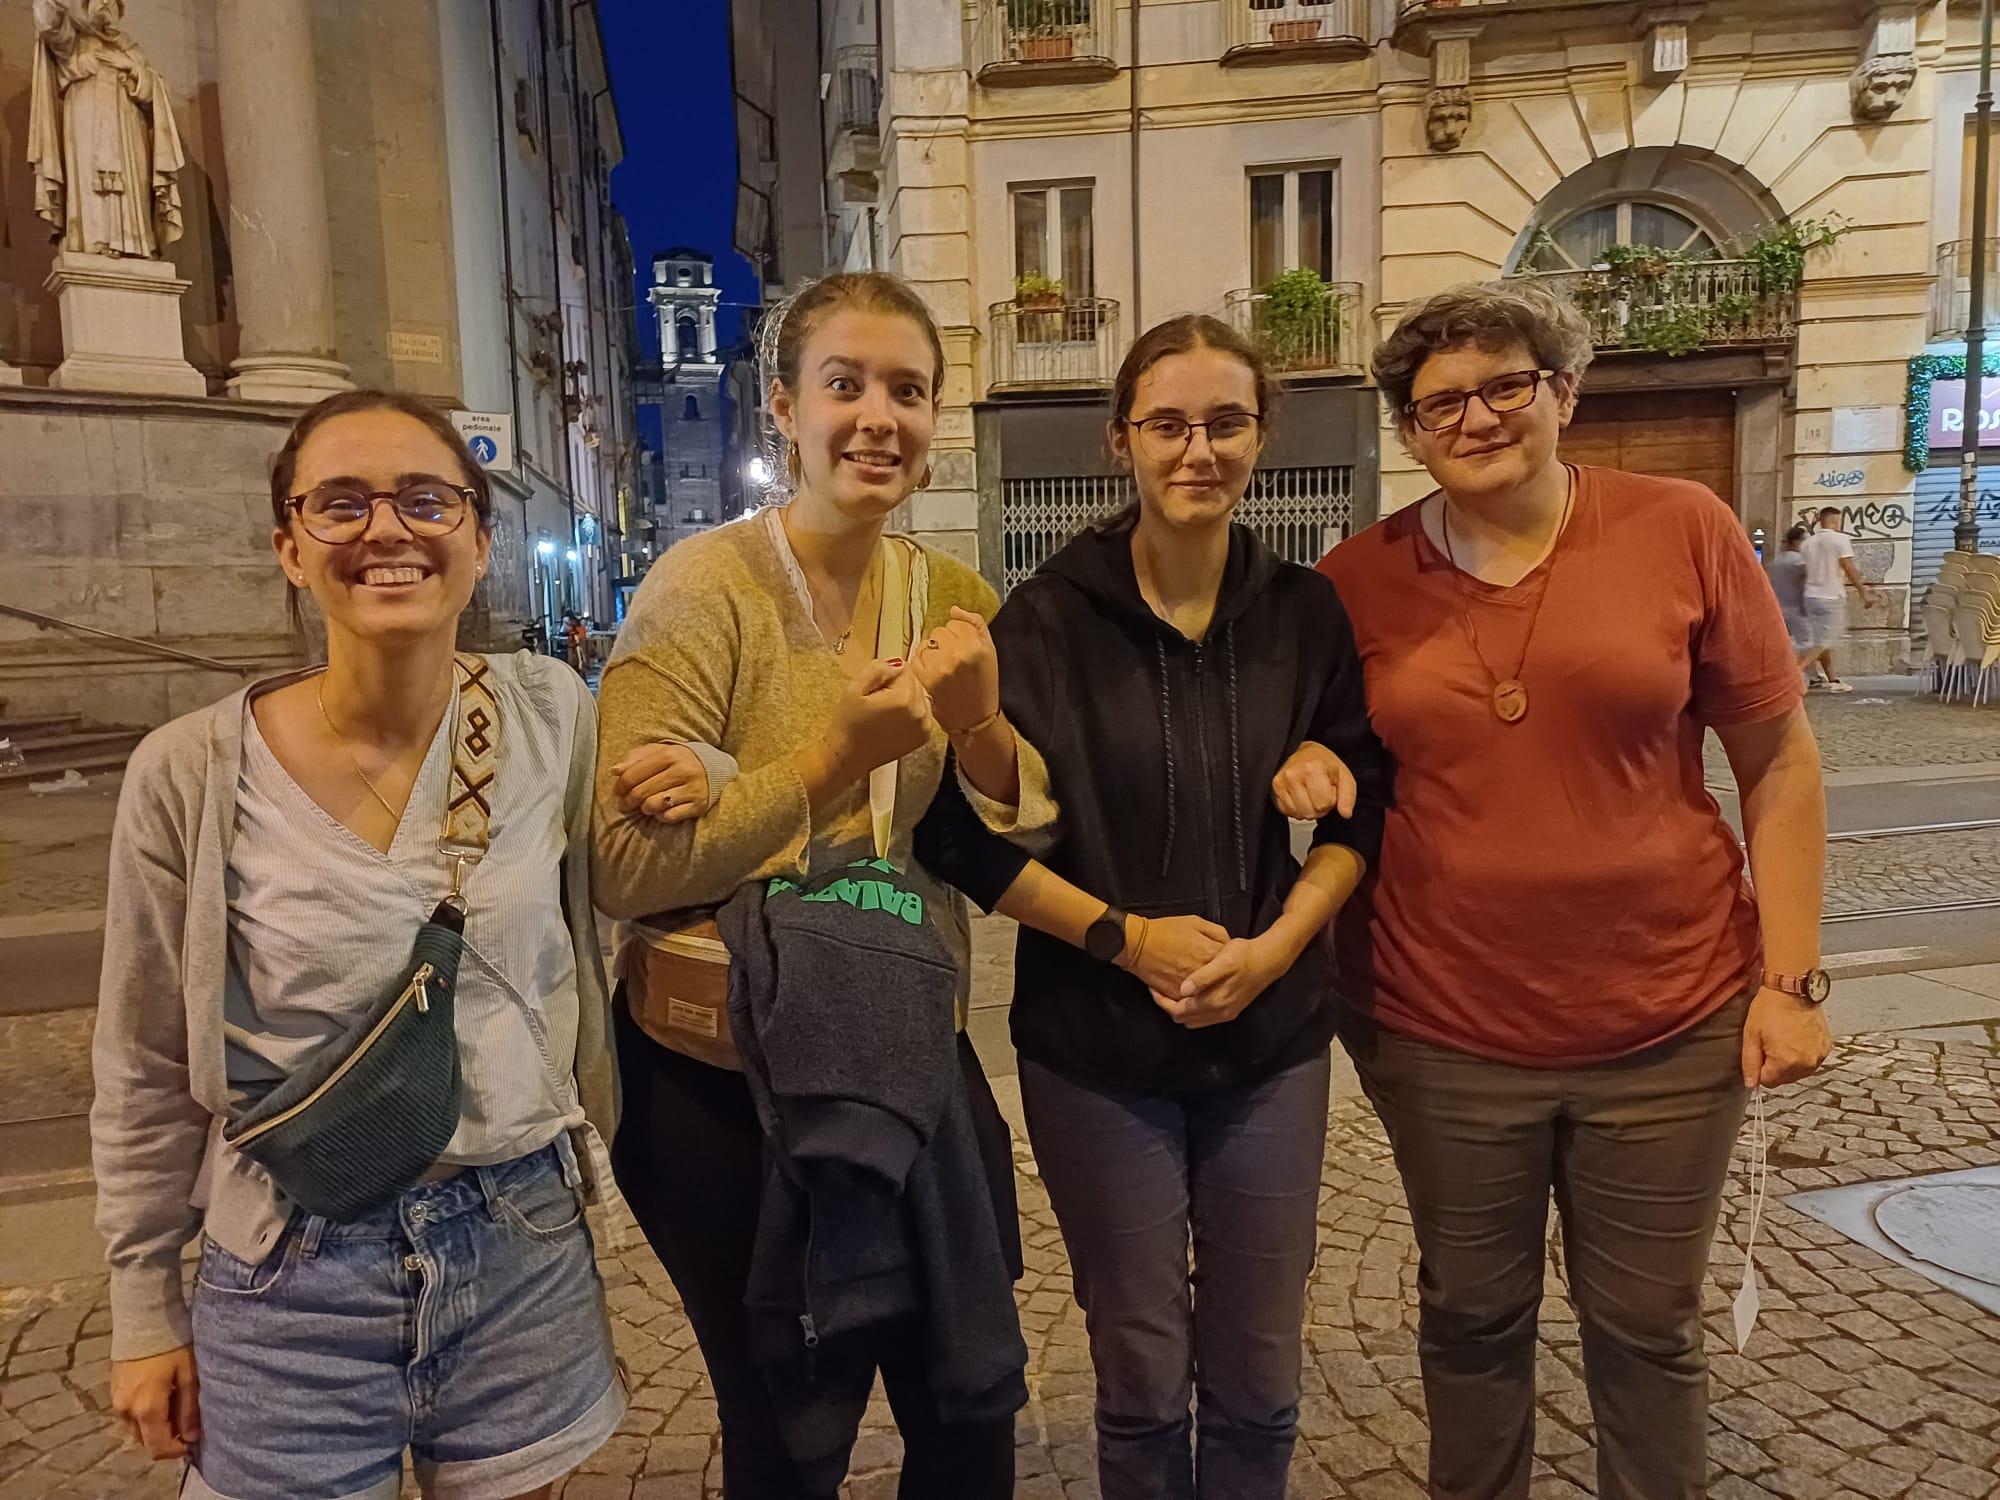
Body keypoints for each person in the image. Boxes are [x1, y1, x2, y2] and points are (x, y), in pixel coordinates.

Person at [1298, 281, 1832, 1500]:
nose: (1476, 417)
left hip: (1668, 1015)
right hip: (1438, 1028)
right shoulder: (1350, 581)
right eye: (1439, 404)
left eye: (1504, 385)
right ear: (1407, 431)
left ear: (1561, 393)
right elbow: (1319, 748)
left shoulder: (1679, 525)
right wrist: (1308, 758)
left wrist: (1789, 980)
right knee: (1471, 1316)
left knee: (1646, 1326)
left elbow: (1777, 762)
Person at [94, 390, 625, 1500]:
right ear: (289, 547)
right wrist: (144, 1304)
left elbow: (654, 828)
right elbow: (143, 1061)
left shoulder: (551, 713)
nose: (387, 530)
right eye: (341, 505)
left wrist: (706, 779)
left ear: (479, 538)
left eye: (426, 500)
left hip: (518, 1234)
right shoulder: (190, 772)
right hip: (289, 1260)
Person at [911, 314, 1393, 1500]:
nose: (1197, 450)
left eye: (1225, 423)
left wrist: (1277, 949)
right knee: (1136, 1363)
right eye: (1167, 424)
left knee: (1259, 1364)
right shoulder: (1046, 618)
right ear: (1119, 438)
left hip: (1271, 1045)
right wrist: (1125, 941)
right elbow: (961, 835)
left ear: (1260, 437)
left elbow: (1357, 811)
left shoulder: (1303, 612)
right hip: (1094, 1053)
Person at [591, 270, 1054, 1500]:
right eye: (842, 384)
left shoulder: (952, 598)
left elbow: (1007, 828)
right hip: (723, 1085)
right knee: (791, 1436)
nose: (877, 417)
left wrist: (981, 732)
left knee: (966, 1422)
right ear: (782, 410)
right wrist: (832, 757)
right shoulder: (703, 589)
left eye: (907, 390)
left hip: (907, 1046)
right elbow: (625, 867)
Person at [1798, 504, 1880, 693]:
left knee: (1821, 640)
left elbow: (1802, 572)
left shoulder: (1807, 543)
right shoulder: (1840, 539)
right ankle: (1795, 672)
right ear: (1834, 521)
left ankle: (1832, 680)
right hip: (1831, 596)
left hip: (1811, 596)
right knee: (1825, 640)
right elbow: (1848, 566)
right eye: (1839, 520)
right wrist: (1863, 591)